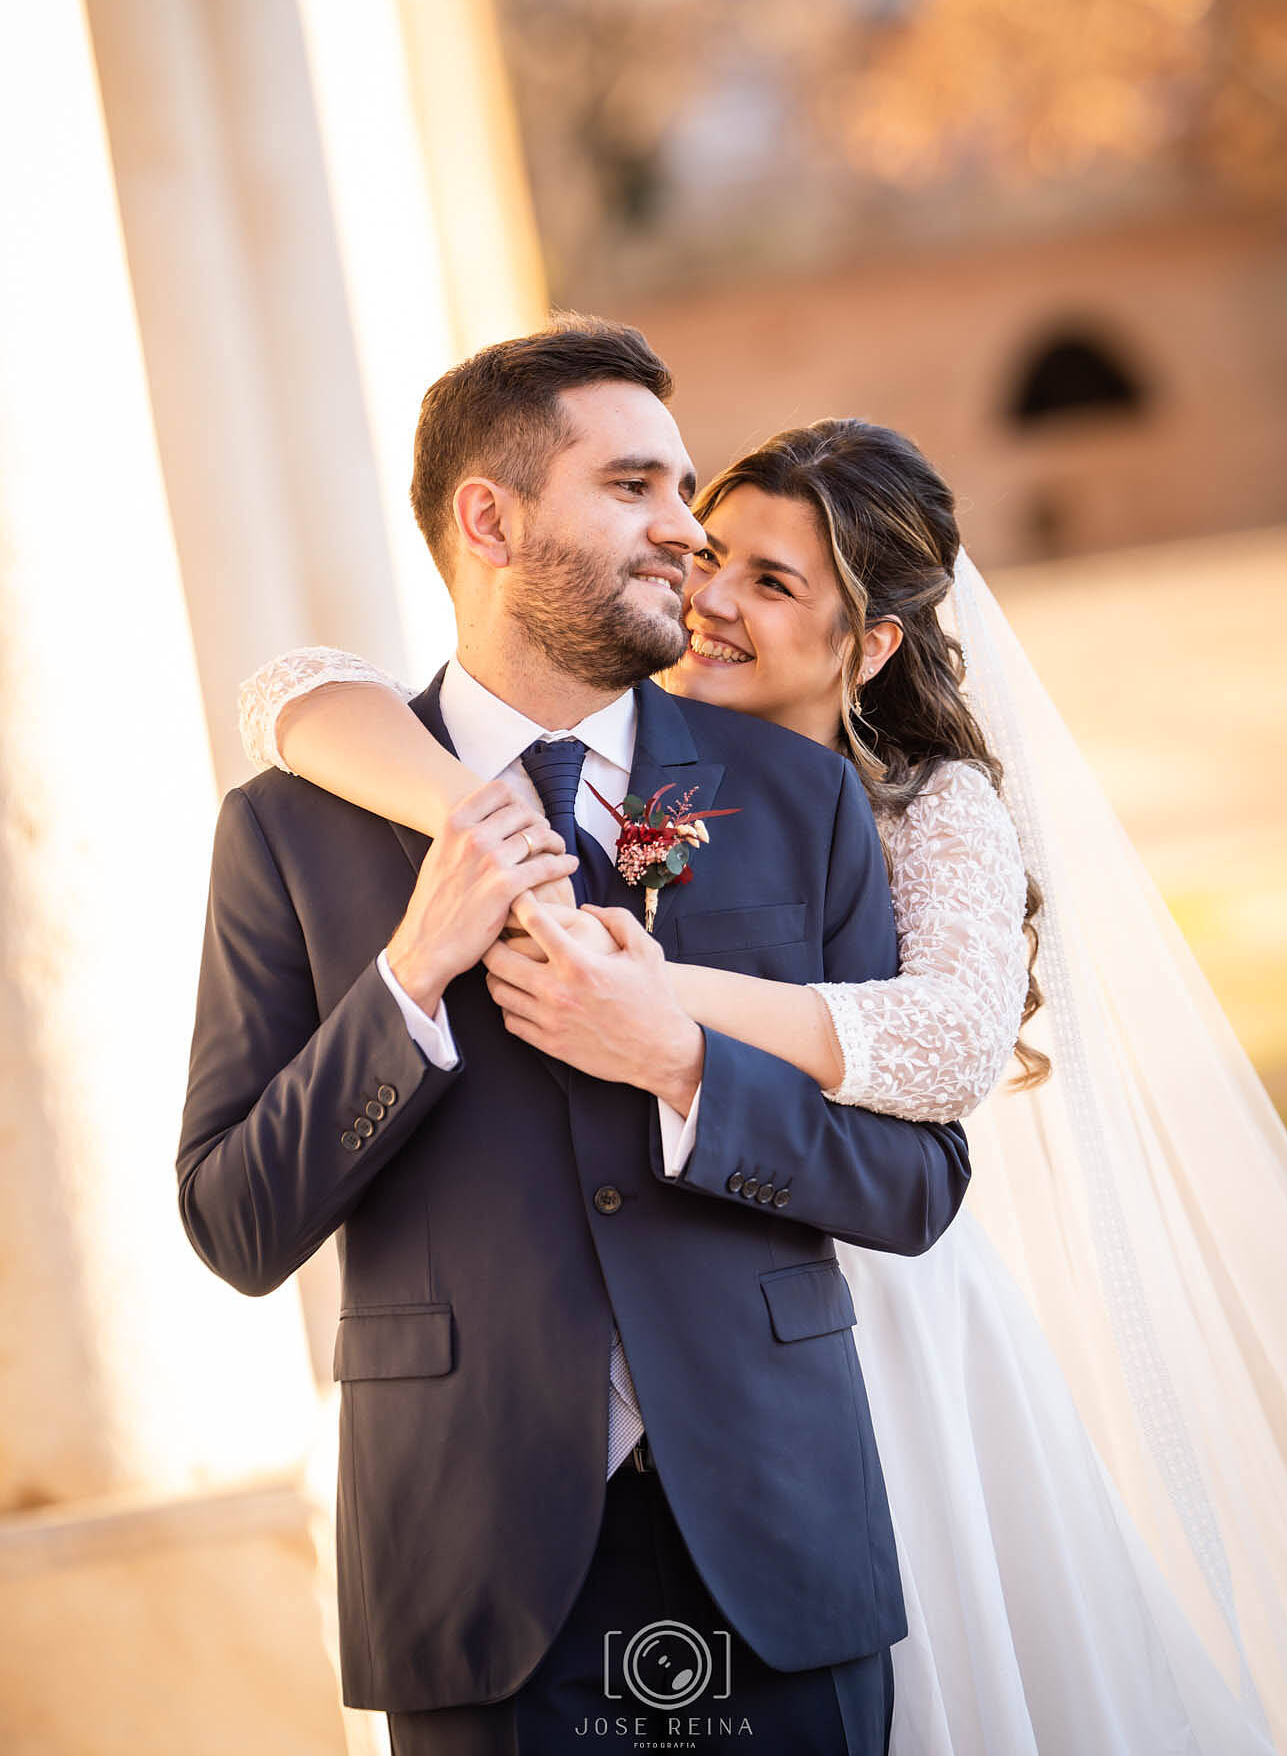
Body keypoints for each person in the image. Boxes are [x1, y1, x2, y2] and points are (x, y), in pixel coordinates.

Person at [240, 408, 1287, 1753]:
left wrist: (653, 1006)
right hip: (574, 1349)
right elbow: (294, 690)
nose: (710, 600)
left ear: (869, 642)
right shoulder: (614, 771)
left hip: (864, 1313)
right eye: (711, 558)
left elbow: (942, 1042)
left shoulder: (920, 807)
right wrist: (473, 832)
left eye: (773, 582)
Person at [179, 318, 974, 1756]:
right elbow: (234, 1224)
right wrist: (411, 978)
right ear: (488, 518)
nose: (686, 533)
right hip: (473, 1569)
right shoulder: (292, 831)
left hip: (775, 1538)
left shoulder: (800, 803)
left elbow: (918, 1188)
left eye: (684, 489)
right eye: (634, 490)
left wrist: (682, 1069)